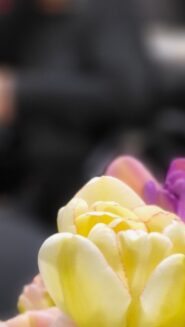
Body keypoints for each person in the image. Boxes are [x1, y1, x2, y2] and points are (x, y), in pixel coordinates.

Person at [0, 0, 154, 221]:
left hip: (89, 180)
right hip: (30, 183)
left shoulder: (105, 13)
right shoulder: (23, 18)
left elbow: (128, 95)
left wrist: (20, 92)